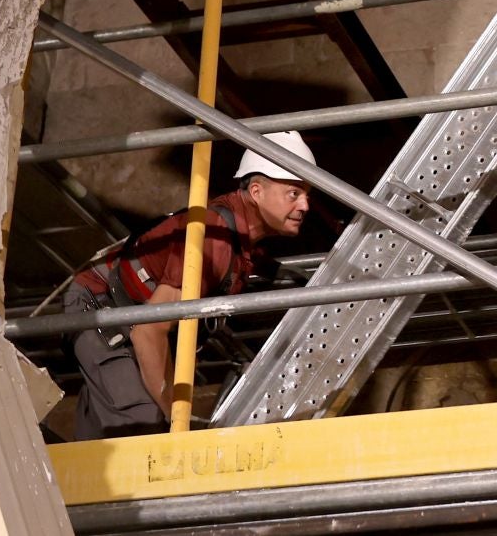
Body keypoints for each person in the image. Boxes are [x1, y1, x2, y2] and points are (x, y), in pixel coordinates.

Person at [63, 131, 315, 439]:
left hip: (126, 313)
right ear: (257, 191)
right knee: (142, 420)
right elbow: (149, 330)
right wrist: (175, 418)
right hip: (100, 305)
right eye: (293, 193)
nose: (305, 205)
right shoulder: (213, 238)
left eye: (307, 195)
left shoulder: (238, 237)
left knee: (115, 430)